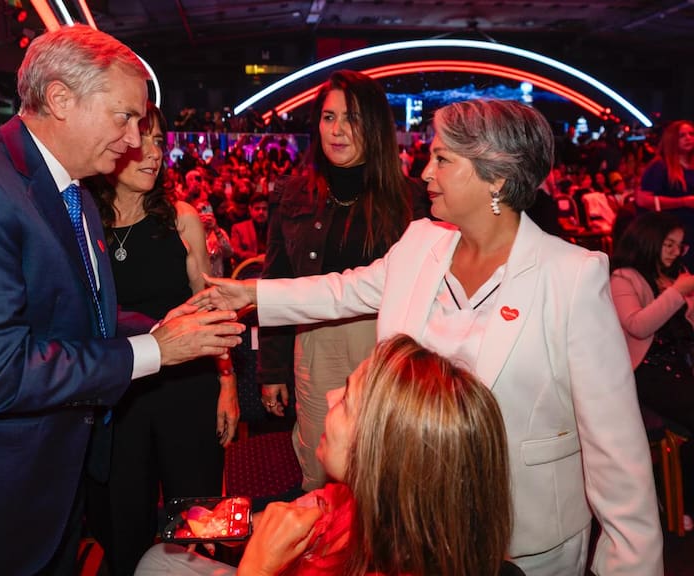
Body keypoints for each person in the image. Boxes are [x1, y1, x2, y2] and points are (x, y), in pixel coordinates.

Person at [191, 99, 663, 575]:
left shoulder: (572, 276)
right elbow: (343, 290)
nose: (424, 171)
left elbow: (617, 454)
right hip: (413, 531)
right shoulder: (421, 243)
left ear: (495, 177)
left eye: (441, 159)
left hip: (525, 537)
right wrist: (249, 294)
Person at [0, 25, 244, 576]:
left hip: (50, 479)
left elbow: (74, 315)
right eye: (124, 117)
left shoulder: (71, 192)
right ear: (60, 99)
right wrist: (154, 351)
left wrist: (159, 328)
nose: (133, 139)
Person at [135, 334, 523, 576]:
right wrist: (240, 523)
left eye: (348, 401)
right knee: (159, 558)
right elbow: (299, 512)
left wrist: (258, 567)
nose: (329, 396)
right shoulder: (368, 505)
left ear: (381, 452)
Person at [83, 102, 239, 576]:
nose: (154, 154)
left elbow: (211, 308)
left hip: (188, 388)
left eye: (159, 142)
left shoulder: (180, 217)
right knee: (121, 522)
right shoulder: (84, 222)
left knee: (202, 523)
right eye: (143, 141)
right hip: (120, 393)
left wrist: (227, 382)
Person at [255, 69, 429, 492]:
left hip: (389, 347)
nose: (337, 131)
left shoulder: (410, 199)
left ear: (374, 126)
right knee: (322, 468)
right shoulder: (294, 193)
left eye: (350, 119)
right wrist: (272, 367)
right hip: (318, 343)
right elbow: (277, 279)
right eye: (328, 117)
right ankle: (323, 558)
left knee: (387, 471)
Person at [610, 211, 694, 528]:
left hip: (682, 362)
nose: (676, 252)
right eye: (669, 244)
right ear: (650, 241)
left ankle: (681, 492)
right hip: (646, 369)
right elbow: (639, 326)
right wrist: (676, 293)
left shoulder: (677, 275)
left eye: (680, 246)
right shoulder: (624, 277)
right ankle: (680, 497)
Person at [637, 120, 694, 268]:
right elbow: (643, 200)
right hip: (672, 233)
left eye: (691, 134)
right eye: (682, 135)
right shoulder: (660, 167)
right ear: (672, 139)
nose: (688, 138)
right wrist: (683, 201)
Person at [229, 191, 269, 265]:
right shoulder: (238, 228)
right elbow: (235, 251)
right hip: (248, 269)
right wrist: (257, 257)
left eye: (264, 209)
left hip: (270, 269)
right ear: (250, 209)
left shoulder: (274, 229)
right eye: (257, 209)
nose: (261, 212)